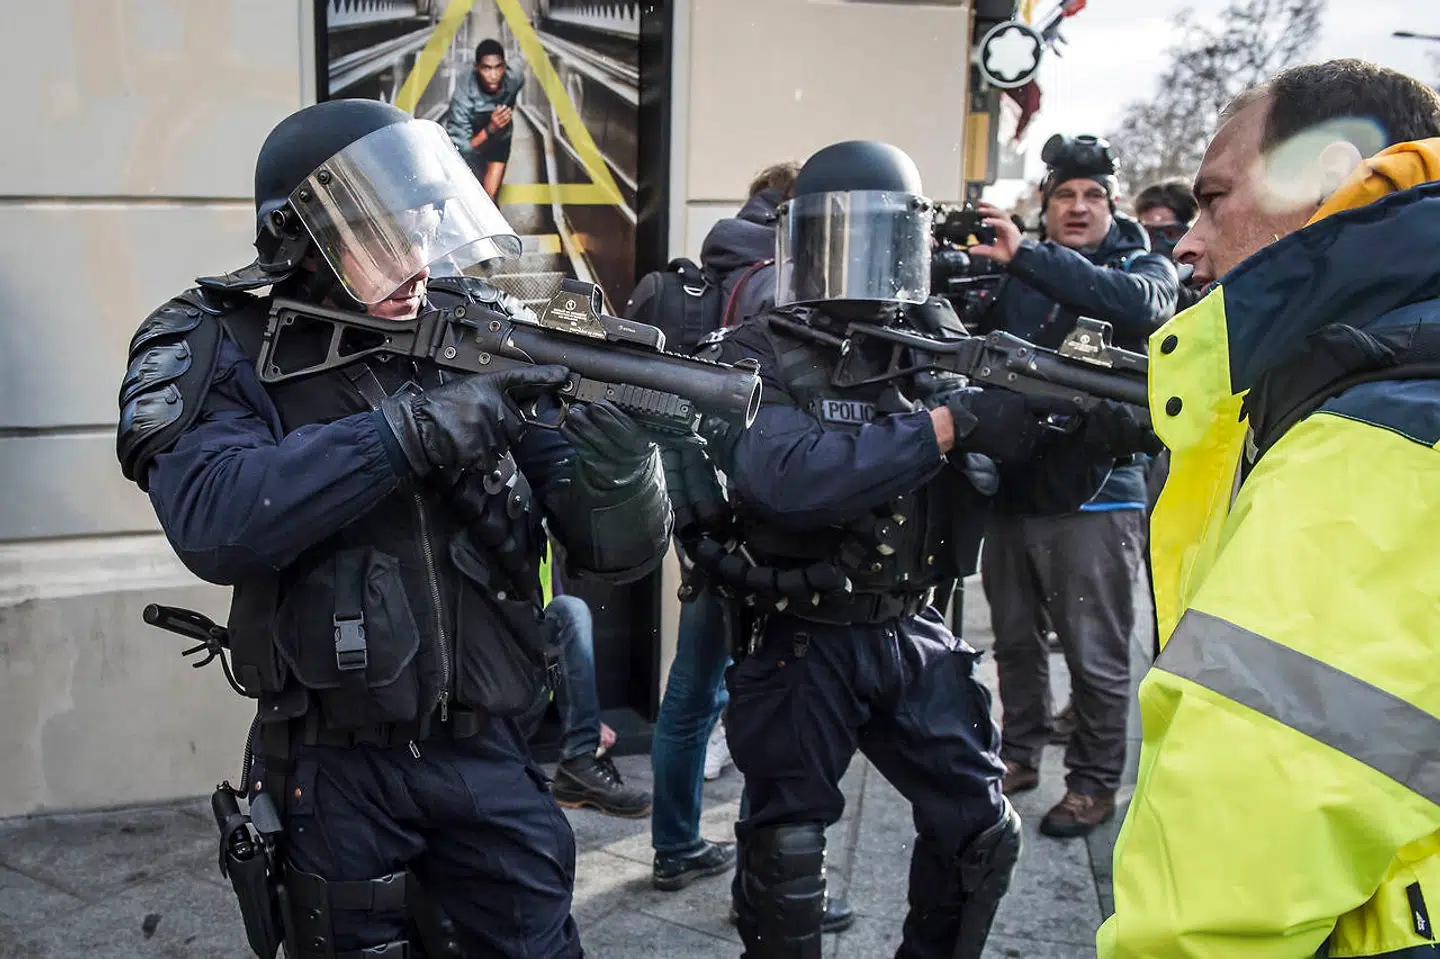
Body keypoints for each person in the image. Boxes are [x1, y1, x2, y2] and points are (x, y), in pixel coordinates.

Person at [117, 98, 672, 957]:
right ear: (304, 236)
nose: (414, 259)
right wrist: (408, 433)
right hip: (332, 770)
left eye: (423, 229)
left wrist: (623, 462)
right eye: (384, 235)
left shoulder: (465, 329)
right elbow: (215, 517)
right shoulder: (217, 340)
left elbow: (613, 548)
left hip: (488, 752)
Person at [692, 138, 1153, 958]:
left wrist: (1091, 430)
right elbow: (785, 475)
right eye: (839, 235)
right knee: (787, 850)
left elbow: (1020, 490)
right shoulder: (758, 350)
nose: (860, 260)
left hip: (911, 628)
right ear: (799, 240)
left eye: (881, 235)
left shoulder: (934, 347)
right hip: (801, 635)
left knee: (980, 829)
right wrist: (947, 423)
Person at [1098, 58, 1440, 957]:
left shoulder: (1373, 442)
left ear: (1328, 175)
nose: (1186, 241)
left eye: (1214, 199)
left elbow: (1219, 905)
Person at [968, 134, 1179, 838]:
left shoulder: (1140, 262)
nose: (1079, 206)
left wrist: (1027, 256)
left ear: (1113, 204)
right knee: (1016, 642)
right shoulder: (1014, 267)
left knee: (1096, 653)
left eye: (1092, 195)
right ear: (1047, 203)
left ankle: (1092, 782)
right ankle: (1019, 752)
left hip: (1100, 492)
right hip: (1014, 485)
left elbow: (1147, 304)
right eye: (1065, 195)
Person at [529, 590, 652, 819]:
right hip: (482, 696)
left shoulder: (539, 557)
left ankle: (579, 762)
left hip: (523, 686)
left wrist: (584, 716)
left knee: (569, 609)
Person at [446, 38, 525, 199]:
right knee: (469, 198)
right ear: (476, 68)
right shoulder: (462, 99)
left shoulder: (515, 77)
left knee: (489, 199)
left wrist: (505, 113)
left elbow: (518, 69)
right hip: (473, 141)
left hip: (500, 137)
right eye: (486, 69)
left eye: (498, 67)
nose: (494, 75)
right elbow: (459, 149)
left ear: (505, 66)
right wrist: (491, 128)